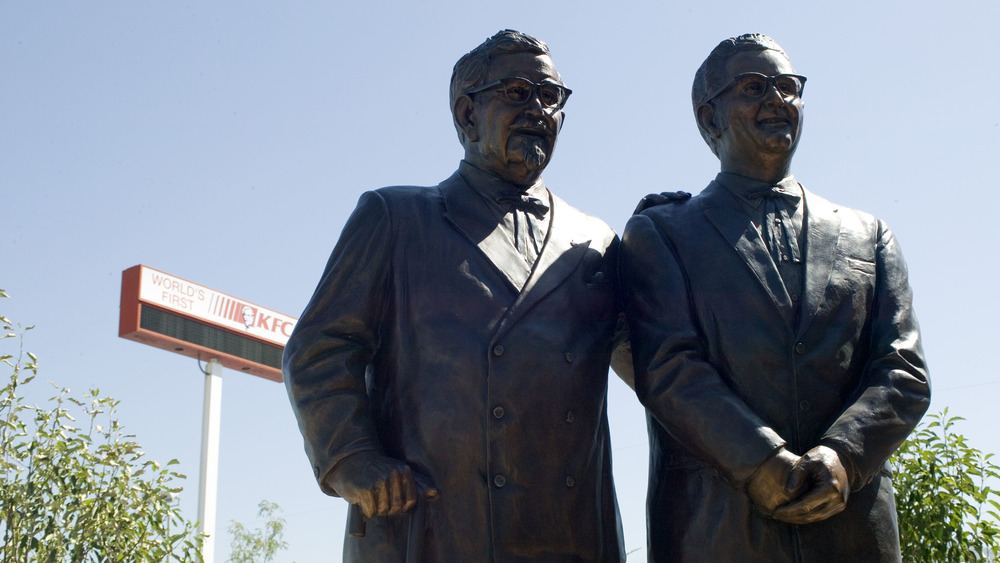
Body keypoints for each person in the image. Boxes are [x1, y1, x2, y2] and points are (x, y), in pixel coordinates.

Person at [283, 30, 626, 562]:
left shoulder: (597, 242)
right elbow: (319, 351)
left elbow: (666, 366)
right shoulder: (396, 219)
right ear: (467, 113)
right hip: (435, 527)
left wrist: (672, 238)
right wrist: (352, 458)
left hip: (571, 536)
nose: (538, 108)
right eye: (517, 92)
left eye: (551, 97)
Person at [621, 34, 930, 562]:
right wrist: (761, 462)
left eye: (788, 86)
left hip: (852, 529)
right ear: (709, 118)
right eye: (753, 87)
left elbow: (902, 369)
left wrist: (844, 457)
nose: (777, 99)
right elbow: (668, 367)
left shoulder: (868, 233)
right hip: (718, 529)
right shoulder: (662, 233)